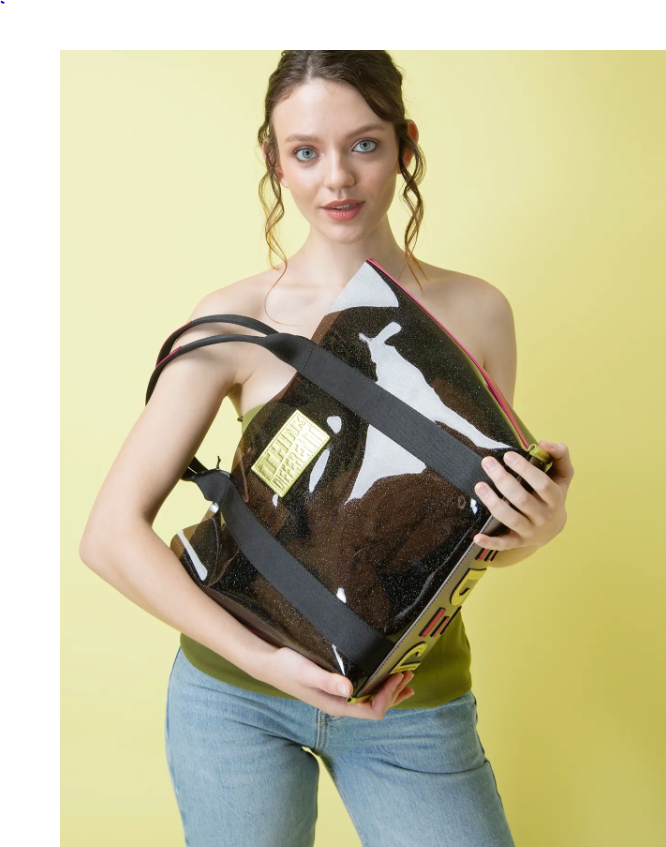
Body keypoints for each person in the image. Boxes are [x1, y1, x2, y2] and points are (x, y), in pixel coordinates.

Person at [80, 50, 574, 847]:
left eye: (364, 144)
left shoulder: (477, 313)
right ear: (274, 159)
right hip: (236, 695)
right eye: (306, 151)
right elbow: (108, 536)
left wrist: (538, 527)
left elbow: (465, 540)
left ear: (406, 145)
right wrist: (265, 663)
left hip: (410, 697)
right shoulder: (236, 319)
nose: (337, 177)